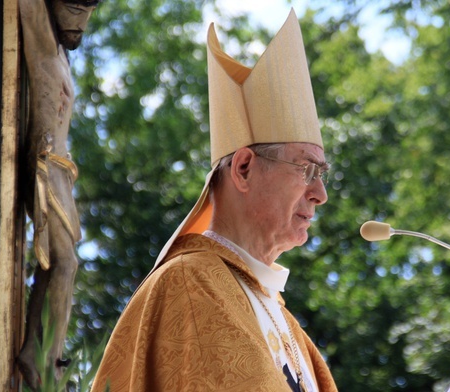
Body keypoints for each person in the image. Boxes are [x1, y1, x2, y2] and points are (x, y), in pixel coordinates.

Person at [92, 9, 338, 391]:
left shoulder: (285, 323)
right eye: (306, 169)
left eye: (321, 175)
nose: (320, 194)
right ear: (243, 169)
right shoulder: (190, 283)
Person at [17, 0, 99, 388]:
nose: (82, 20)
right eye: (76, 6)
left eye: (89, 9)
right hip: (44, 166)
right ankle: (44, 359)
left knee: (61, 265)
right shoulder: (41, 38)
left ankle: (44, 352)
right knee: (64, 264)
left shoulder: (62, 54)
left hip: (60, 171)